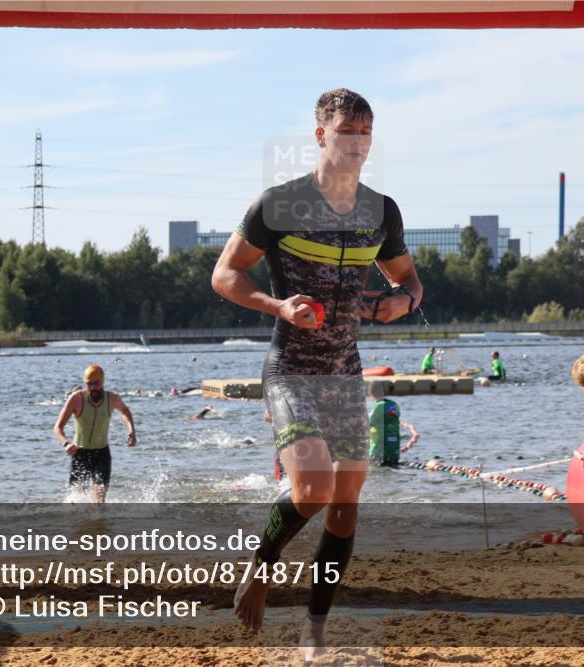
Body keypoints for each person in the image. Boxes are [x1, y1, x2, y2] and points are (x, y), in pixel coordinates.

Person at [211, 88, 423, 658]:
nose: (356, 142)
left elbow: (409, 279)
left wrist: (402, 300)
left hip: (344, 370)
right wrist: (277, 306)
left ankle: (315, 627)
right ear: (321, 135)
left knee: (347, 502)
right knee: (312, 489)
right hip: (292, 367)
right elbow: (226, 275)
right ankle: (260, 569)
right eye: (347, 130)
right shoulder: (279, 204)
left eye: (366, 132)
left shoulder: (382, 211)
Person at [53, 364, 137, 503]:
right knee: (75, 499)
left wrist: (132, 431)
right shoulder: (76, 399)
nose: (92, 387)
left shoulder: (112, 398)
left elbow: (125, 411)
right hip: (80, 454)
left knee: (100, 496)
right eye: (89, 384)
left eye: (96, 383)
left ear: (102, 382)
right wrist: (66, 443)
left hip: (102, 453)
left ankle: (98, 523)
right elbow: (58, 427)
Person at [367, 382, 418, 466]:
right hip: (394, 454)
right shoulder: (394, 405)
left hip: (378, 454)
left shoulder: (379, 406)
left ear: (370, 394)